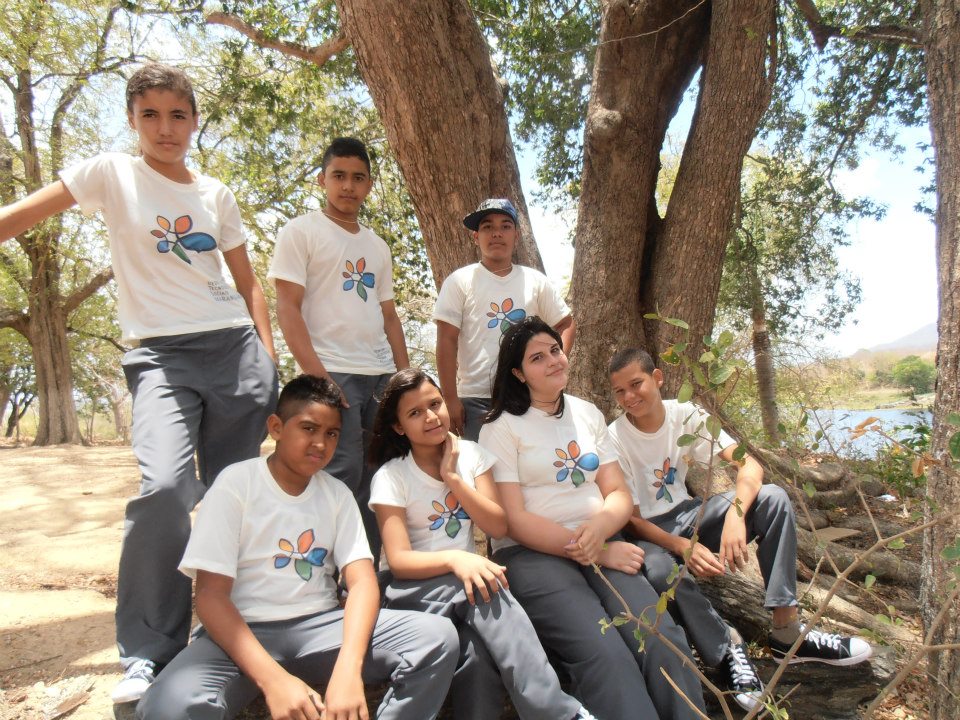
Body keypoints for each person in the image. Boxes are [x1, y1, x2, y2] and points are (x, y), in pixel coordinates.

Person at [0, 63, 279, 703]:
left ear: (195, 121)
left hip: (236, 354)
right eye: (150, 114)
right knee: (166, 489)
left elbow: (248, 282)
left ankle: (233, 629)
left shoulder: (215, 194)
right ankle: (149, 652)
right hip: (160, 357)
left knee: (232, 498)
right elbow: (20, 215)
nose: (165, 128)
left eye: (178, 114)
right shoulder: (111, 173)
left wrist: (265, 357)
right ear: (132, 120)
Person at [137, 375, 459, 720]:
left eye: (331, 433)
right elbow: (210, 596)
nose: (320, 443)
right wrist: (274, 680)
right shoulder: (236, 484)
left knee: (436, 638)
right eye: (308, 428)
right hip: (243, 633)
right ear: (276, 427)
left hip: (321, 628)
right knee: (165, 706)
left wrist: (348, 672)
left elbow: (362, 583)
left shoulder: (336, 494)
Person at [607, 347, 873, 711]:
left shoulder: (687, 415)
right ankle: (727, 649)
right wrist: (682, 546)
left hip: (689, 513)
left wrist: (735, 512)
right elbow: (631, 518)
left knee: (774, 498)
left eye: (636, 384)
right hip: (648, 531)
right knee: (658, 569)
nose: (629, 397)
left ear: (657, 378)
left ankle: (786, 632)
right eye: (619, 391)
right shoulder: (615, 437)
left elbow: (750, 465)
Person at [478, 316, 705, 720]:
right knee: (604, 652)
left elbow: (617, 493)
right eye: (537, 358)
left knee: (658, 634)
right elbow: (512, 519)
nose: (553, 360)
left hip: (603, 544)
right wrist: (596, 551)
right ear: (518, 373)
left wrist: (601, 532)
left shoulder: (587, 413)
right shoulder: (500, 427)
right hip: (534, 557)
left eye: (555, 350)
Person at [368, 368, 597, 720]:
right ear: (399, 427)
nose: (430, 416)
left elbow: (497, 524)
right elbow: (398, 560)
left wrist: (455, 481)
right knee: (488, 587)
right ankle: (558, 712)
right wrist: (457, 562)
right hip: (410, 591)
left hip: (464, 589)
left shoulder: (472, 456)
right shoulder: (391, 476)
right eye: (415, 413)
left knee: (476, 656)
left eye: (435, 404)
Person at [270, 137, 409, 562]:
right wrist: (318, 377)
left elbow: (388, 316)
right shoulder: (301, 232)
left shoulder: (378, 246)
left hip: (380, 376)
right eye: (339, 176)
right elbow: (287, 308)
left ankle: (363, 572)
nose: (348, 186)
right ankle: (321, 570)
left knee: (378, 474)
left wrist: (405, 379)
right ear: (322, 179)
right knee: (337, 471)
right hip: (332, 372)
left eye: (358, 178)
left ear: (368, 185)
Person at [433, 198, 574, 441]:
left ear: (516, 235)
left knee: (529, 471)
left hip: (527, 396)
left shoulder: (535, 281)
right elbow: (446, 340)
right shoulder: (460, 281)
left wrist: (552, 368)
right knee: (482, 474)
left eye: (505, 226)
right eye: (487, 227)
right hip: (475, 400)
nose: (497, 233)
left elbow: (566, 323)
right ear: (476, 236)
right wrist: (451, 399)